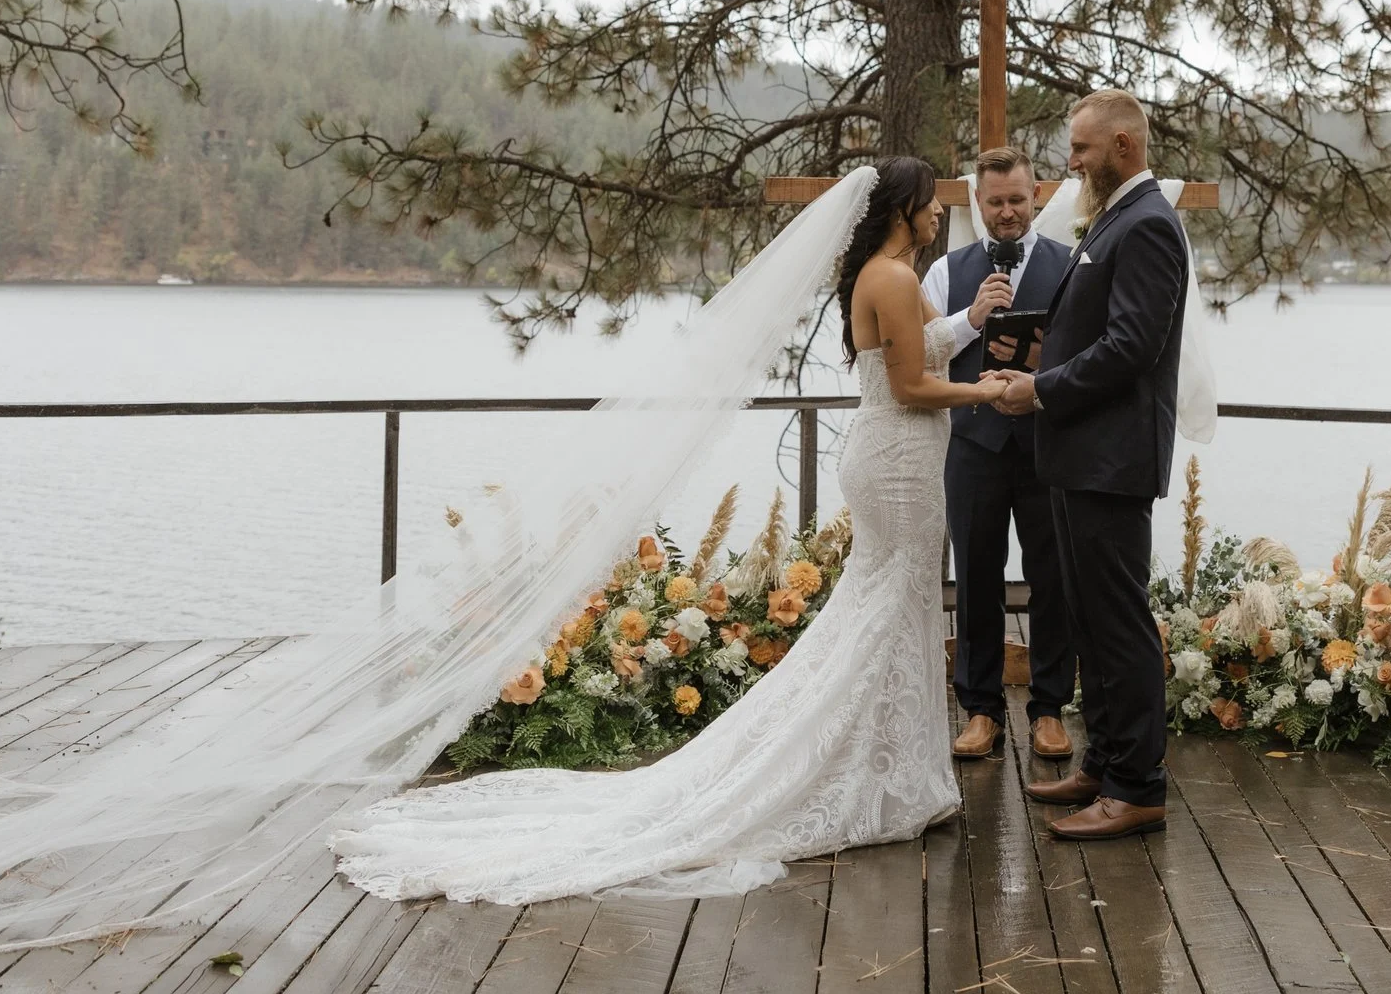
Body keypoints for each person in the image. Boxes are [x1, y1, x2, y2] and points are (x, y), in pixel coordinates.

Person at [325, 156, 1011, 901]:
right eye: (930, 202)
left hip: (889, 459)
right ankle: (882, 776)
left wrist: (970, 322)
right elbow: (911, 385)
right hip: (902, 466)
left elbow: (906, 355)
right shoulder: (897, 277)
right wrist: (988, 389)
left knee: (883, 611)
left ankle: (888, 769)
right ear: (902, 208)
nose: (940, 212)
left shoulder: (881, 277)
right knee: (887, 612)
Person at [991, 89, 1187, 842]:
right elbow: (1096, 327)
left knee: (1120, 623)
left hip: (1112, 458)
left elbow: (1133, 346)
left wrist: (1040, 387)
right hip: (1079, 454)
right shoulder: (1110, 216)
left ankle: (1139, 786)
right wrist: (1039, 352)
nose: (1069, 162)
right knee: (1088, 619)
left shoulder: (1148, 225)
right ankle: (1105, 763)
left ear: (1125, 148)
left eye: (1081, 148)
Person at [921, 146, 1076, 762]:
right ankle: (979, 710)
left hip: (1047, 446)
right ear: (977, 204)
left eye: (1017, 200)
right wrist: (972, 316)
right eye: (995, 202)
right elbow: (928, 353)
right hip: (973, 447)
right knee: (976, 579)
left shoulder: (1069, 266)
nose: (1007, 212)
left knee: (1052, 578)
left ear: (1035, 196)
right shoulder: (945, 272)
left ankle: (1049, 709)